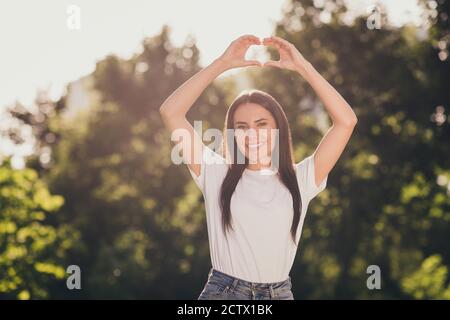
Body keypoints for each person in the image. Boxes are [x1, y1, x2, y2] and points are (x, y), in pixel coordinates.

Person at [159, 34, 357, 300]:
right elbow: (171, 112)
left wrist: (303, 67)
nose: (252, 134)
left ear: (278, 127)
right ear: (232, 134)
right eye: (242, 127)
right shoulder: (214, 172)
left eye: (261, 124)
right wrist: (221, 64)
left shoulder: (302, 178)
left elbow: (346, 121)